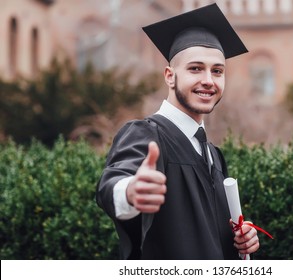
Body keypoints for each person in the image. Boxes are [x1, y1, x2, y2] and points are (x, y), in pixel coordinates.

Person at [96, 3, 260, 260]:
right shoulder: (145, 134)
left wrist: (238, 239)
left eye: (217, 71)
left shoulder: (213, 154)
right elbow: (112, 184)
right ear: (170, 76)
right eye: (195, 68)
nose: (208, 80)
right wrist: (130, 190)